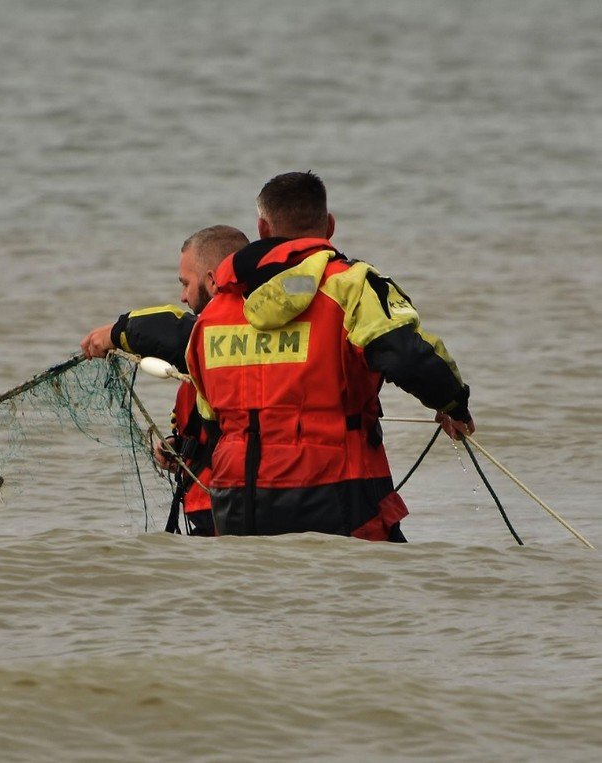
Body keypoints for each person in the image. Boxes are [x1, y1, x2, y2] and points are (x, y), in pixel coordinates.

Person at [186, 172, 474, 541]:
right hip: (339, 490)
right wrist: (453, 403)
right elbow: (407, 355)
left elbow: (209, 417)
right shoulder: (350, 284)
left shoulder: (213, 313)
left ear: (262, 228)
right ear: (330, 225)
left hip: (238, 501)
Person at [80, 225, 250, 536]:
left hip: (224, 503)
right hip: (222, 499)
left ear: (213, 281)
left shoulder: (217, 334)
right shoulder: (236, 331)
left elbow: (172, 330)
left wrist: (115, 333)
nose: (183, 296)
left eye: (186, 284)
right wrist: (181, 447)